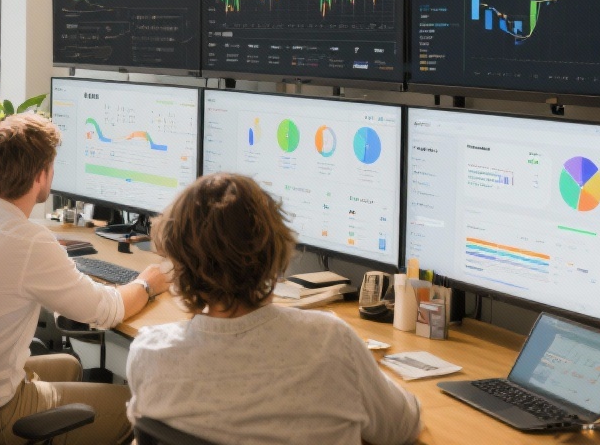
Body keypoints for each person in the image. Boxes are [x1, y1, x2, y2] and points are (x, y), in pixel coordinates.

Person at [0, 113, 168, 445]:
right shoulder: (29, 241)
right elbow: (108, 311)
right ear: (40, 176)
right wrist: (148, 283)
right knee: (134, 409)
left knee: (68, 365)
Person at [125, 172, 423, 445]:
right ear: (275, 250)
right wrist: (367, 372)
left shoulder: (149, 354)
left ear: (178, 262)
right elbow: (402, 427)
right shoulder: (330, 341)